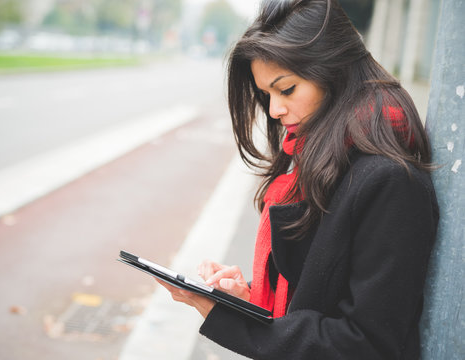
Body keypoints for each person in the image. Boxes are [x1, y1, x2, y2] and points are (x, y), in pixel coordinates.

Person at [157, 0, 439, 358]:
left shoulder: (391, 184)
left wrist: (229, 321)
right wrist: (244, 300)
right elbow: (312, 298)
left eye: (286, 89)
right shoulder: (327, 161)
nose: (274, 110)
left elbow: (365, 344)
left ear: (333, 71)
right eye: (267, 95)